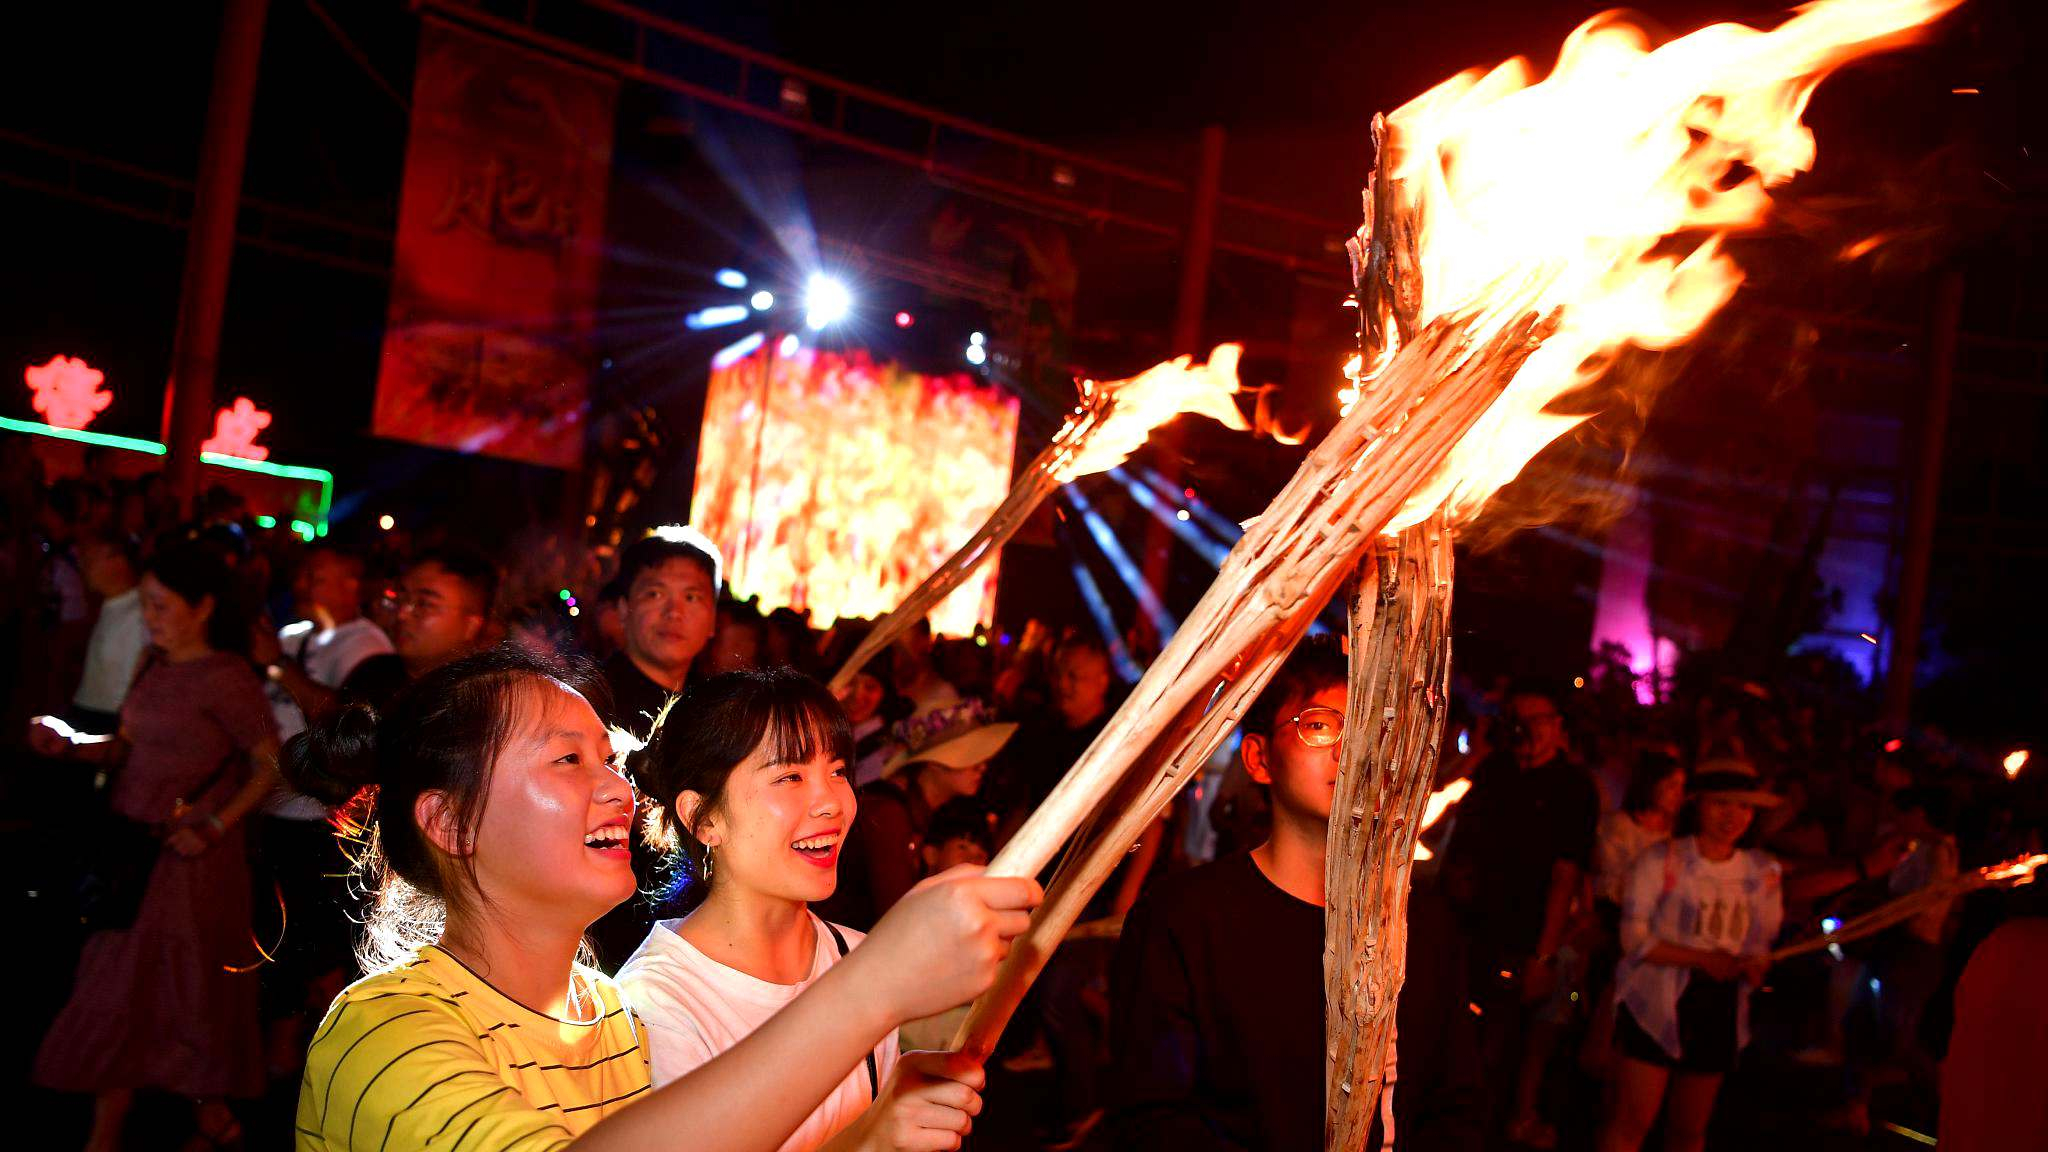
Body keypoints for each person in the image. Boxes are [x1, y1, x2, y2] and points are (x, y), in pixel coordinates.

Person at [285, 646, 1040, 1152]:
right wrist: (870, 992)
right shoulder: (385, 1030)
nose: (617, 789)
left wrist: (865, 1140)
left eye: (610, 762)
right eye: (569, 761)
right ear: (452, 822)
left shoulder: (605, 1018)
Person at [1105, 640, 1482, 1152]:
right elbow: (1151, 1119)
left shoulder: (1427, 928)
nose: (1352, 749)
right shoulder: (1186, 921)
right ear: (1259, 759)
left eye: (1375, 727)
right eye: (1320, 725)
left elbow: (1457, 1110)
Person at [619, 666, 953, 1150]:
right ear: (703, 817)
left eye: (837, 771)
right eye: (790, 776)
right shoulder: (657, 1006)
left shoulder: (856, 958)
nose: (831, 804)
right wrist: (871, 1139)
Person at [29, 543, 283, 1152]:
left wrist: (215, 826)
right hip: (132, 847)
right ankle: (136, 1129)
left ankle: (204, 1120)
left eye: (160, 604)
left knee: (175, 990)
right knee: (121, 984)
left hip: (189, 859)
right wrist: (68, 746)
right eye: (145, 603)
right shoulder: (152, 662)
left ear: (202, 608)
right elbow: (125, 748)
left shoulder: (226, 677)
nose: (149, 615)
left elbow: (269, 763)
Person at [247, 543, 394, 1077]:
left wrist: (278, 667)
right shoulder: (290, 635)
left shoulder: (367, 645)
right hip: (269, 808)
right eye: (304, 574)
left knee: (307, 940)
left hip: (324, 819)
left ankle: (291, 1055)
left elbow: (343, 720)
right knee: (269, 931)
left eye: (322, 576)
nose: (307, 585)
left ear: (352, 585)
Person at [1440, 680, 1601, 1144]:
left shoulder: (1573, 787)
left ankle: (1491, 1129)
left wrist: (1544, 955)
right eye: (1520, 721)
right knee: (1460, 1039)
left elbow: (1564, 875)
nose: (1528, 731)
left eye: (1539, 721)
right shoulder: (1494, 772)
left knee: (1506, 1046)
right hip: (1473, 928)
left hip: (1525, 935)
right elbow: (1461, 845)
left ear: (1557, 726)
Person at [1597, 760, 1785, 1152]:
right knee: (1632, 1121)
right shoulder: (1660, 860)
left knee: (1689, 1129)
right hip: (1656, 999)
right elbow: (1634, 938)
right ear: (1698, 804)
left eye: (1743, 807)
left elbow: (1760, 942)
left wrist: (1755, 966)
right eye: (1721, 804)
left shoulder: (1762, 872)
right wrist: (1702, 959)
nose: (1732, 817)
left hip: (1718, 1005)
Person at [820, 698, 1015, 930]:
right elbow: (894, 917)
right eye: (971, 756)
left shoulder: (923, 815)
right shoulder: (888, 814)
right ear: (935, 763)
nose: (982, 766)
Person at [339, 546, 496, 710]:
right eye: (402, 598)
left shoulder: (478, 703)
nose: (402, 614)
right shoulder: (372, 675)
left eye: (424, 604)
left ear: (471, 625)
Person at [602, 528, 719, 741]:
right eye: (655, 594)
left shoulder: (718, 716)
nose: (674, 612)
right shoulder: (591, 705)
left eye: (691, 597)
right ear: (623, 609)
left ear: (713, 619)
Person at [67, 531, 146, 733]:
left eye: (89, 559)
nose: (82, 566)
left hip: (107, 720)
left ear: (117, 561)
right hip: (91, 713)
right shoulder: (112, 606)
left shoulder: (139, 614)